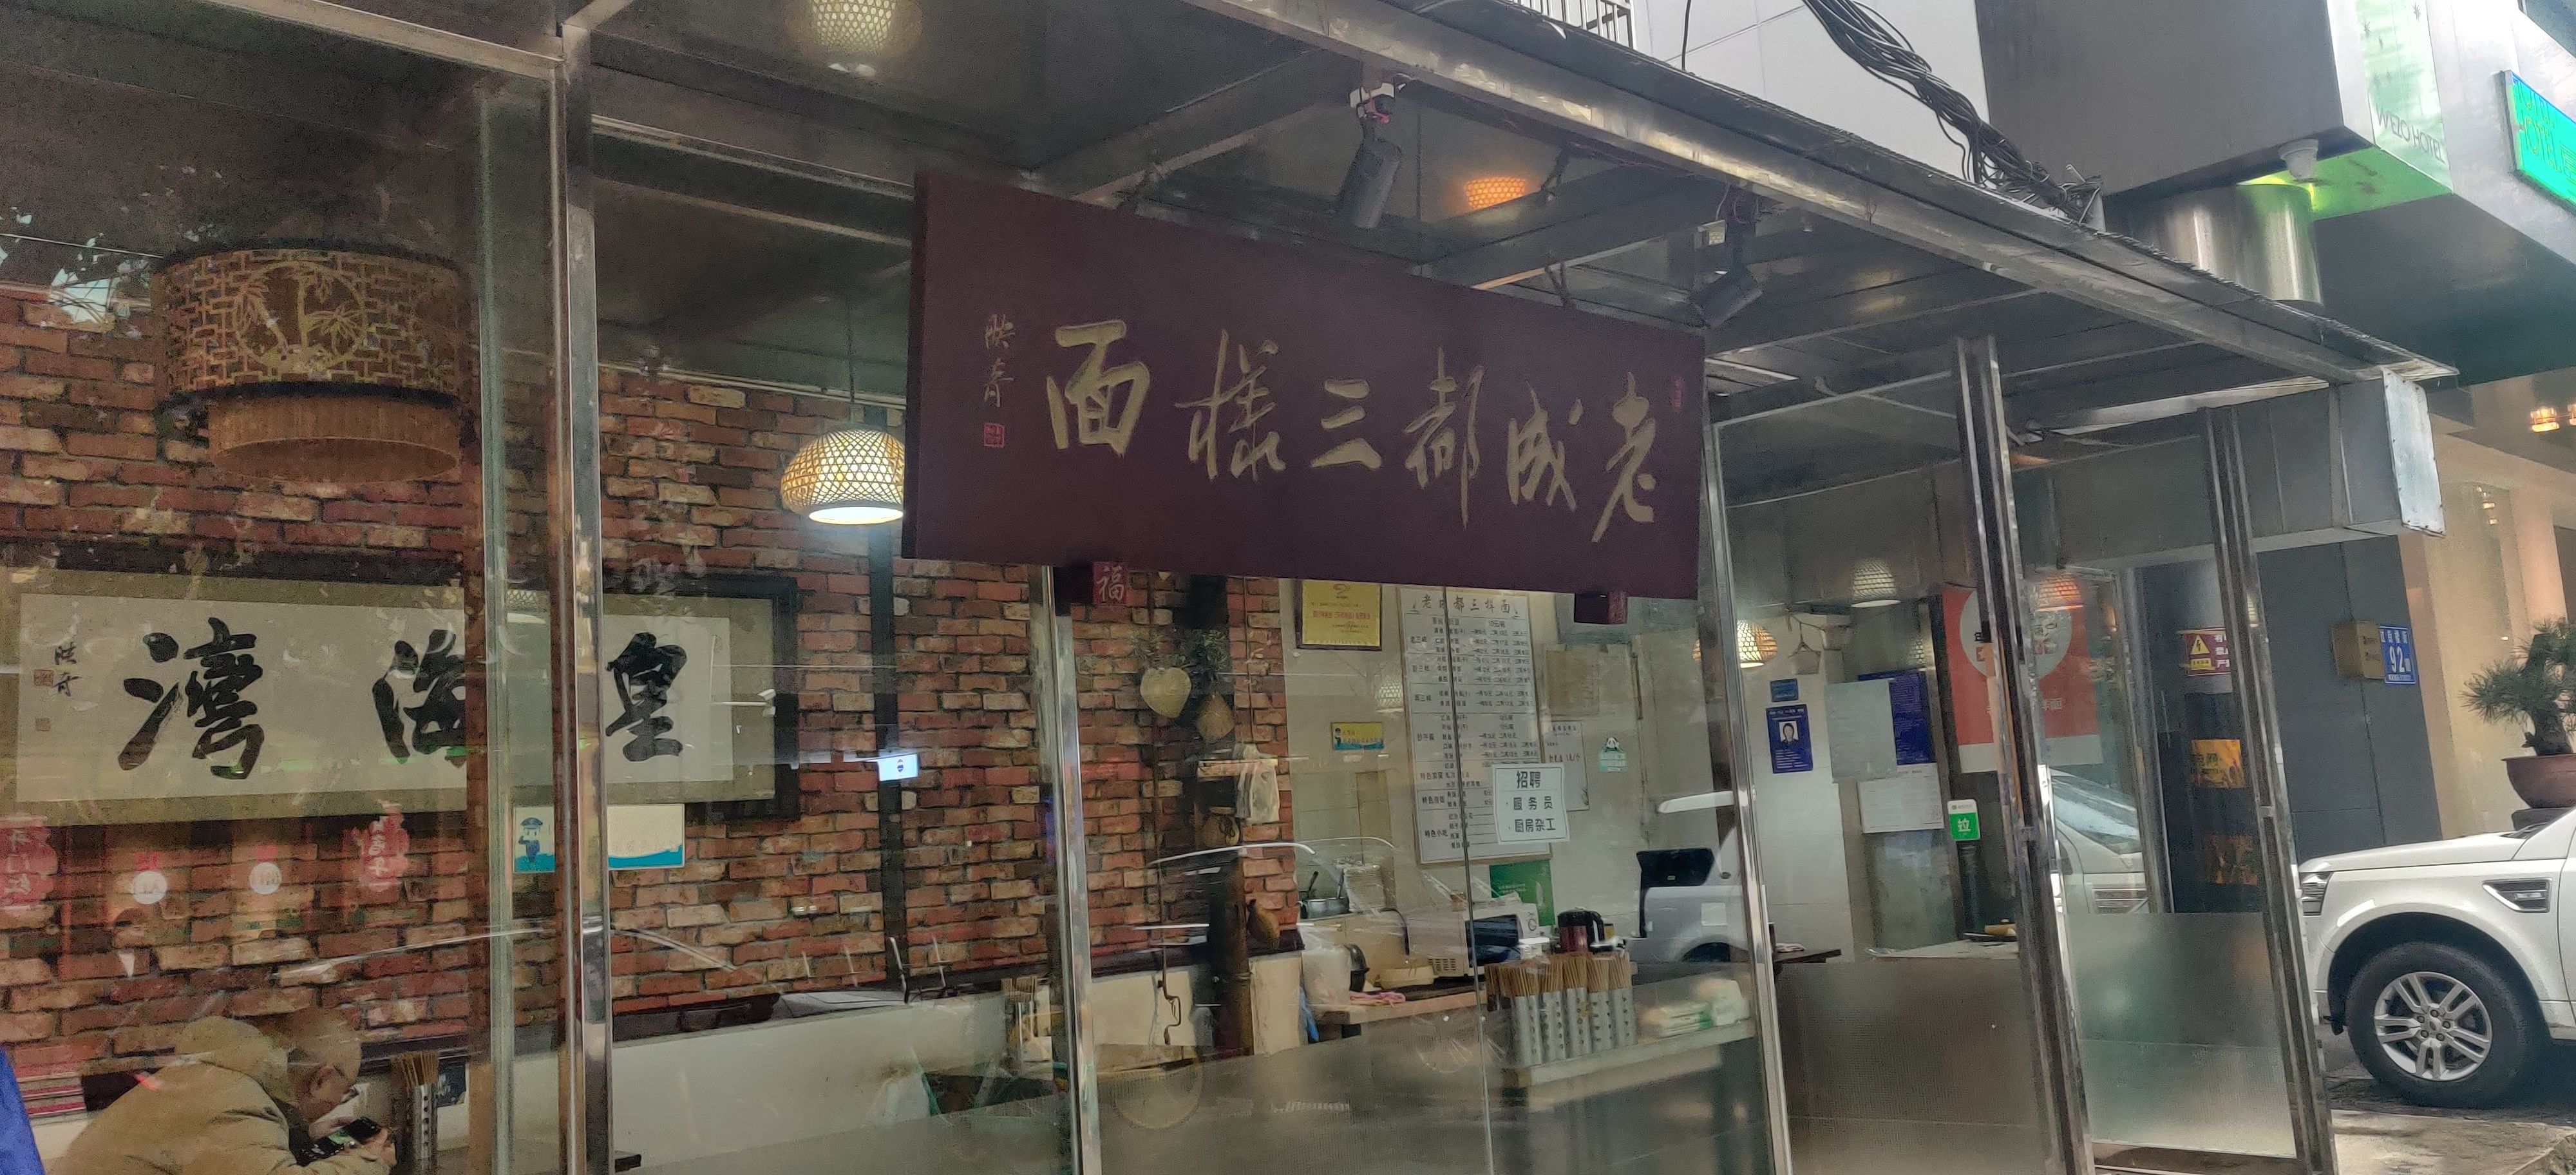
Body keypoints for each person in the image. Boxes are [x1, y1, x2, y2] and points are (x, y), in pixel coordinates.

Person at [56, 1009, 395, 1175]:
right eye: (344, 1092)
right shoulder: (239, 1104)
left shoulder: (217, 1076)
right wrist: (370, 1163)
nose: (337, 1103)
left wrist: (303, 1138)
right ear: (321, 1080)